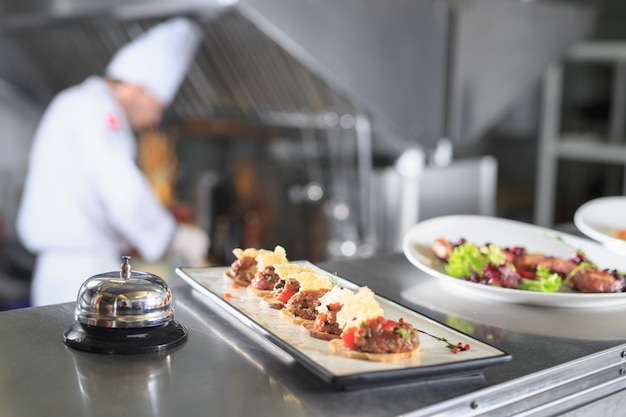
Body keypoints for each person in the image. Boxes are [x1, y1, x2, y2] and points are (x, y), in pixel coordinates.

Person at [16, 17, 209, 307]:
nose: (155, 120)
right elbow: (121, 188)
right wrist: (173, 236)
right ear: (136, 89)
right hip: (83, 273)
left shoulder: (76, 102)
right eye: (157, 107)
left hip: (62, 270)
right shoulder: (100, 113)